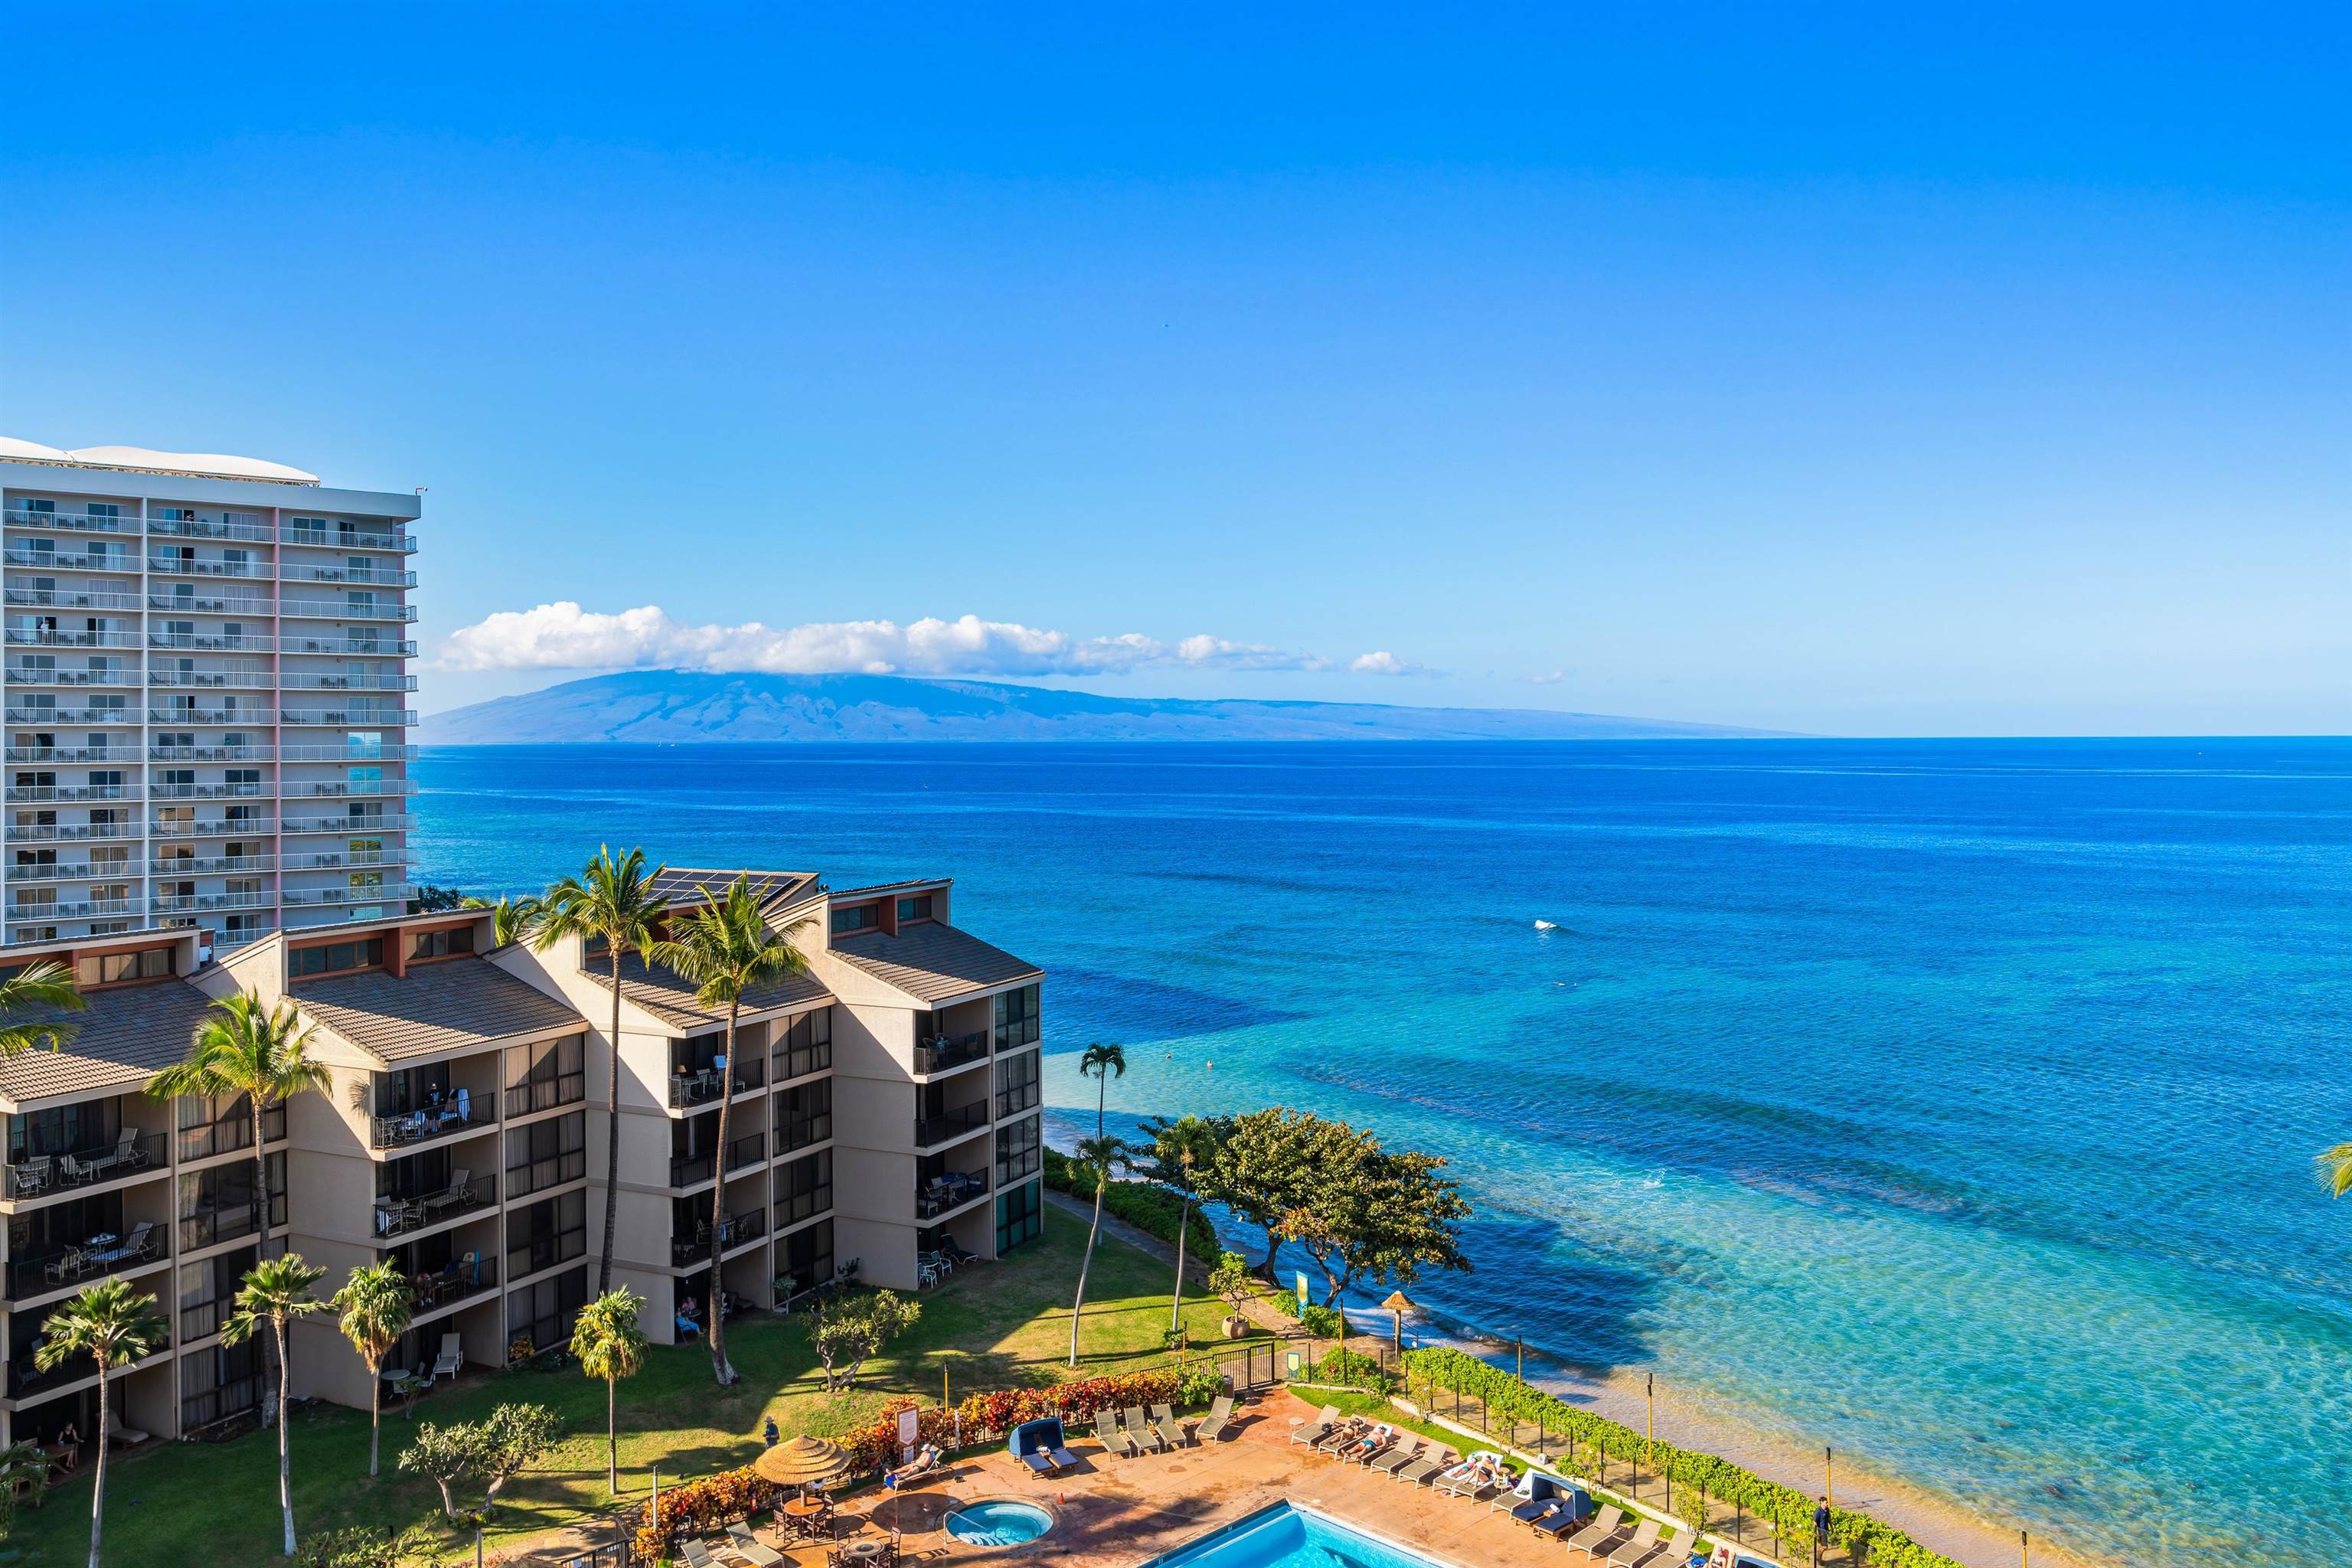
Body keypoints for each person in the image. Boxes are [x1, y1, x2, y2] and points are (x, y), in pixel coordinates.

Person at [1813, 1495, 1831, 1564]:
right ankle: (1819, 1558)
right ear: (1822, 1502)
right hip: (1821, 1531)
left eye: (1827, 1503)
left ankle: (1819, 1559)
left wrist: (1831, 1527)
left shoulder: (1827, 1510)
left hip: (1826, 1530)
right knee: (1825, 1547)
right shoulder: (1818, 1511)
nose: (1827, 1504)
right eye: (1826, 1503)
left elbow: (1829, 1519)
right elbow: (1814, 1522)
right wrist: (1817, 1533)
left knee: (1822, 1546)